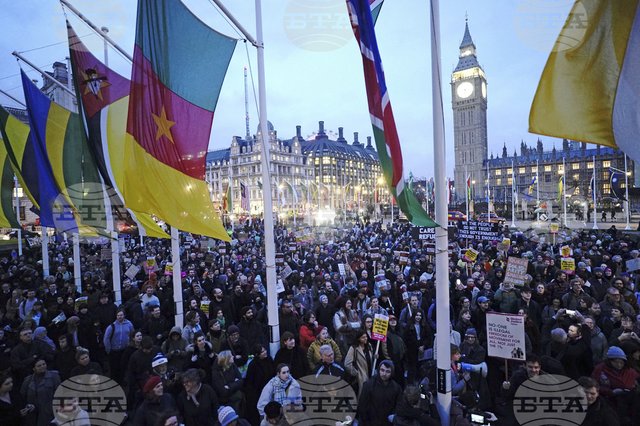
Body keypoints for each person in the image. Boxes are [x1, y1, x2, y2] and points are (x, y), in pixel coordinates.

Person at [357, 360, 402, 426]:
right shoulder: (369, 385)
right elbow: (362, 406)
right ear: (378, 370)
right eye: (382, 370)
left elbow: (398, 406)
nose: (384, 374)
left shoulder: (396, 388)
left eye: (388, 371)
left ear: (392, 373)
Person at [20, 358, 60, 426]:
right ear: (34, 368)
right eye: (39, 365)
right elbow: (22, 395)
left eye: (44, 364)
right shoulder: (27, 380)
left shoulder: (54, 377)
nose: (42, 366)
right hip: (32, 414)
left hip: (49, 413)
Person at [211, 350, 244, 414]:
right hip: (226, 403)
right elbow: (223, 391)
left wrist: (229, 386)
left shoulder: (233, 365)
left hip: (236, 399)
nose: (233, 357)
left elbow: (241, 381)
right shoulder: (216, 372)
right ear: (226, 359)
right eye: (231, 356)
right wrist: (235, 383)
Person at [344, 328, 374, 396]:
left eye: (366, 336)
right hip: (361, 377)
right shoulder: (354, 348)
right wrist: (356, 373)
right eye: (363, 337)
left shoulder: (369, 346)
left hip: (370, 374)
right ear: (358, 338)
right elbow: (347, 364)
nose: (365, 338)